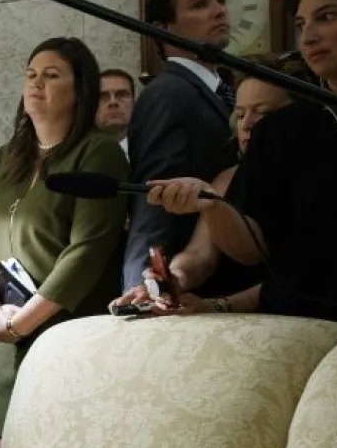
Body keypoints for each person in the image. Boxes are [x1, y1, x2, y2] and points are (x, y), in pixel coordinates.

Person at [146, 0, 337, 323]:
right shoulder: (284, 131)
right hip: (303, 328)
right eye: (300, 25)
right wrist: (210, 202)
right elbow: (254, 250)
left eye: (326, 17)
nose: (309, 37)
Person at [0, 38, 128, 448]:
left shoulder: (99, 152)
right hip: (7, 331)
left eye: (52, 75)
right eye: (31, 74)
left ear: (81, 89)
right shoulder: (6, 157)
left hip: (65, 334)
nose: (36, 84)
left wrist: (23, 321)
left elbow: (85, 254)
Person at [110, 54, 305, 316]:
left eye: (263, 113)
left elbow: (300, 280)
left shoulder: (317, 179)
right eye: (240, 113)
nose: (247, 125)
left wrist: (218, 304)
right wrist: (173, 279)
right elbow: (199, 256)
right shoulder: (226, 178)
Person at [123, 0, 237, 288]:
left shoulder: (219, 88)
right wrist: (146, 285)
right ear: (163, 29)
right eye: (200, 4)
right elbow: (154, 198)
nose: (218, 11)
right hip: (188, 286)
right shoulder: (167, 94)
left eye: (220, 0)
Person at [96, 68, 137, 158]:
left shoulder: (152, 151)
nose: (113, 102)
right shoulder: (80, 155)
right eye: (103, 96)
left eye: (122, 95)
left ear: (134, 104)